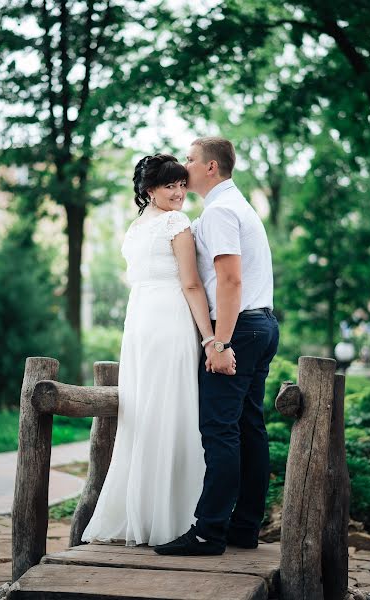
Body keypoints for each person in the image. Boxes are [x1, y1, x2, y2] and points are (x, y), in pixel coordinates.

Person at [81, 154, 229, 547]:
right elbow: (192, 285)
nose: (180, 193)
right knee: (174, 410)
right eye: (171, 186)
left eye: (183, 184)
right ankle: (174, 518)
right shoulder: (176, 223)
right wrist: (210, 337)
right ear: (150, 190)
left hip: (140, 323)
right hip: (170, 322)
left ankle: (144, 513)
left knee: (146, 411)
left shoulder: (136, 226)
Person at [154, 137, 279, 556]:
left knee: (220, 431)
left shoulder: (221, 212)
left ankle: (208, 532)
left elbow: (230, 281)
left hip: (239, 329)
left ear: (210, 168)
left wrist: (219, 341)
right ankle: (244, 529)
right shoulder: (237, 205)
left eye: (189, 160)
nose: (184, 166)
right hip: (262, 325)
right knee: (248, 429)